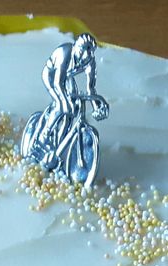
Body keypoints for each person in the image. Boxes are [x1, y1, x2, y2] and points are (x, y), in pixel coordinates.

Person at [28, 33, 109, 169]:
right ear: (77, 48)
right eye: (83, 51)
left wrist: (96, 107)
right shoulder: (66, 52)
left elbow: (90, 89)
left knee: (73, 109)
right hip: (52, 75)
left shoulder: (90, 60)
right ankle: (43, 137)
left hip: (67, 77)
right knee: (62, 106)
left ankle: (59, 143)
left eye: (89, 53)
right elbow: (57, 83)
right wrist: (64, 102)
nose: (85, 57)